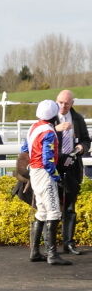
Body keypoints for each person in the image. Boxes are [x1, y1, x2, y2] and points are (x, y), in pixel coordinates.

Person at [23, 100, 71, 266]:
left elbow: (24, 149)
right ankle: (52, 254)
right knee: (54, 212)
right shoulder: (49, 132)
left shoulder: (33, 127)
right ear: (53, 115)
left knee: (42, 211)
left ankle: (35, 251)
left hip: (34, 172)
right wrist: (57, 178)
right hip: (44, 173)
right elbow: (48, 160)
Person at [53, 90, 90, 255]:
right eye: (60, 102)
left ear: (72, 103)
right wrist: (56, 129)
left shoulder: (78, 119)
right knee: (52, 206)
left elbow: (86, 140)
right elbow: (37, 136)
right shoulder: (49, 117)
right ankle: (51, 245)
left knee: (69, 207)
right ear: (56, 101)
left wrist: (82, 147)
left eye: (66, 103)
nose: (63, 106)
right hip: (53, 166)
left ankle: (68, 243)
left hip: (73, 166)